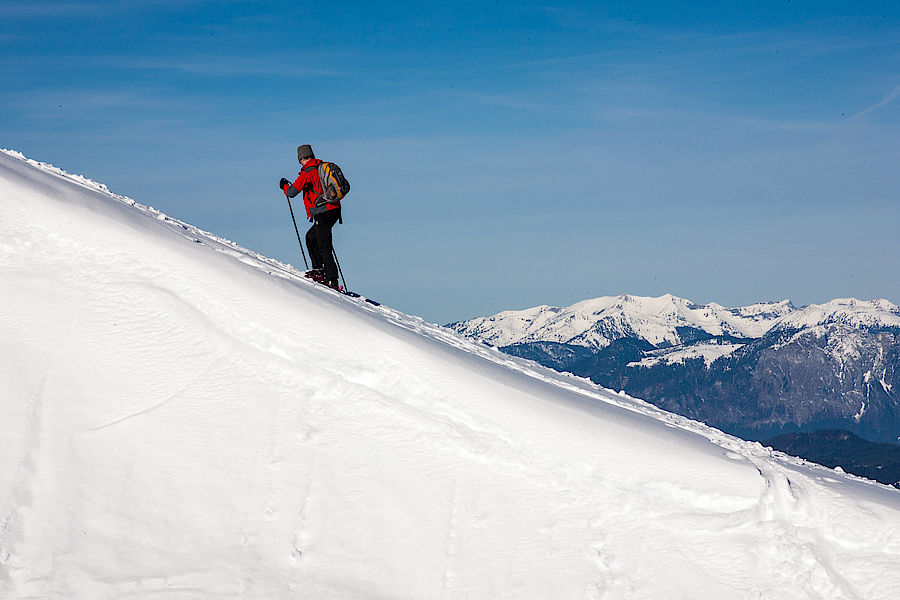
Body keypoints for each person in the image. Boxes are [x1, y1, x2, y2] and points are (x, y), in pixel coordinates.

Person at [279, 144, 342, 289]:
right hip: (333, 209)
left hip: (324, 211)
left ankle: (331, 279)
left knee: (323, 244)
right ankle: (320, 270)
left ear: (301, 159)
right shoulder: (321, 167)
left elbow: (292, 192)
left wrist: (284, 186)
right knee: (312, 237)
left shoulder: (308, 172)